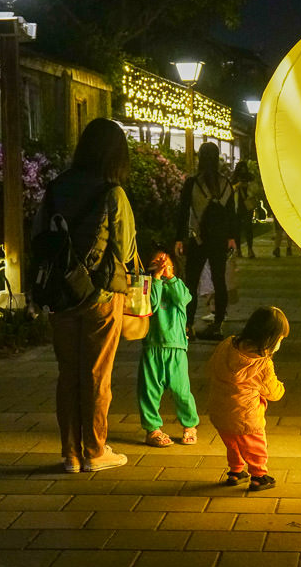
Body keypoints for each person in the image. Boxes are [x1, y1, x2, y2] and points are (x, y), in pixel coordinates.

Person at [34, 118, 136, 473]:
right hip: (101, 296)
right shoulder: (113, 193)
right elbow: (124, 251)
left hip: (60, 294)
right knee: (96, 375)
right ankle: (94, 450)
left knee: (68, 373)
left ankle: (70, 455)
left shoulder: (56, 188)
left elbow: (40, 237)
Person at [206, 306, 290, 492]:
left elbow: (212, 365)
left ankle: (235, 472)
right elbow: (273, 392)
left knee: (232, 443)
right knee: (255, 446)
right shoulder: (262, 363)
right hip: (246, 416)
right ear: (270, 338)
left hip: (219, 410)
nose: (280, 343)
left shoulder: (228, 344)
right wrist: (281, 388)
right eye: (280, 339)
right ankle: (259, 476)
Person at [136, 251, 199, 447]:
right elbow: (152, 305)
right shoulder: (146, 286)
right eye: (157, 262)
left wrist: (170, 277)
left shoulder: (179, 286)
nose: (162, 265)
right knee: (148, 390)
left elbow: (182, 299)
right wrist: (156, 280)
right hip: (152, 346)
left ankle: (190, 425)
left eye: (167, 263)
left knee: (181, 390)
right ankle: (152, 429)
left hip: (176, 347)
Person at [174, 142, 236, 340]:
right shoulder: (226, 184)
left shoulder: (192, 183)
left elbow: (183, 212)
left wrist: (179, 238)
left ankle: (188, 325)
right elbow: (232, 215)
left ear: (200, 158)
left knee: (191, 282)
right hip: (219, 241)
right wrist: (232, 238)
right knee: (219, 282)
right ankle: (218, 325)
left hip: (198, 240)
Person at [232, 158, 256, 258]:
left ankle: (249, 249)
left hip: (247, 205)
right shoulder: (235, 179)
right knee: (237, 229)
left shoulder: (250, 178)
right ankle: (239, 250)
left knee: (248, 227)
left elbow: (255, 189)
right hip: (238, 206)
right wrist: (238, 185)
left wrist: (247, 185)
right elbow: (231, 188)